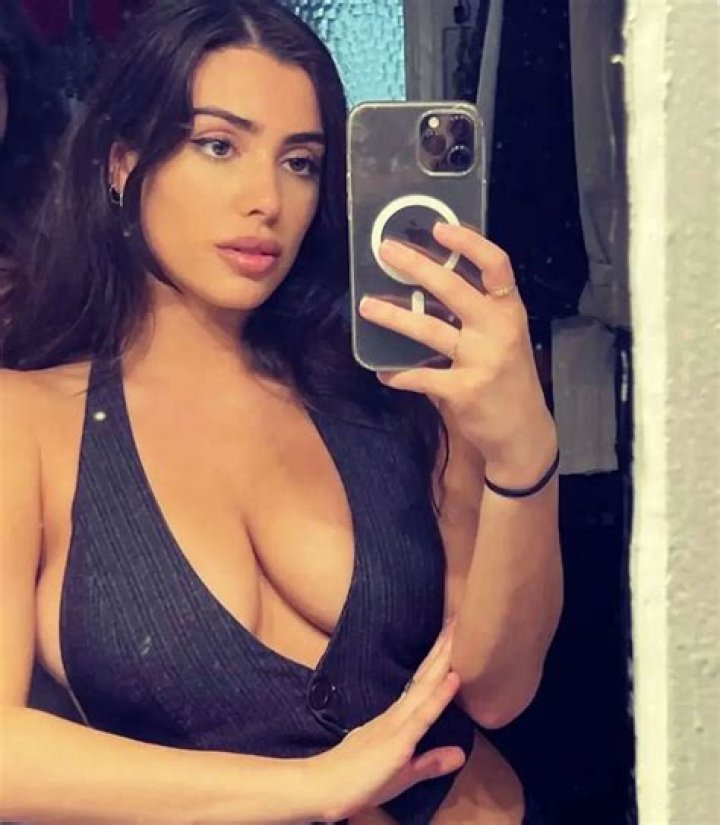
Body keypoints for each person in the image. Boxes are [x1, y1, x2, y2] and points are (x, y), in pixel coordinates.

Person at [0, 1, 562, 822]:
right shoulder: (26, 424)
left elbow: (498, 689)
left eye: (299, 162)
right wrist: (311, 786)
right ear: (124, 164)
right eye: (218, 145)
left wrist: (523, 456)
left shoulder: (393, 393)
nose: (266, 198)